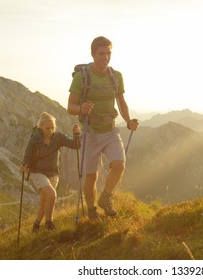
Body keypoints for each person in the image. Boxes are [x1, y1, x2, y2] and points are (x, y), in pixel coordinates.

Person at [67, 36, 139, 221]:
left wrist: (129, 120)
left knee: (119, 165)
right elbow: (70, 107)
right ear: (93, 54)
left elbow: (121, 102)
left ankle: (105, 198)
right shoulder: (81, 77)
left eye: (108, 53)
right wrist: (81, 109)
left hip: (110, 129)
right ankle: (91, 210)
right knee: (91, 176)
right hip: (90, 133)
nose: (105, 57)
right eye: (101, 53)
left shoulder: (116, 76)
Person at [19, 112, 81, 232]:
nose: (51, 130)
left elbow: (75, 145)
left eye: (52, 127)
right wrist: (24, 165)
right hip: (38, 172)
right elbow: (27, 156)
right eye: (47, 128)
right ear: (40, 127)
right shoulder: (34, 140)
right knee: (52, 195)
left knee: (45, 200)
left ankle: (36, 225)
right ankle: (49, 223)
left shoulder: (58, 137)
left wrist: (76, 134)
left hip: (53, 174)